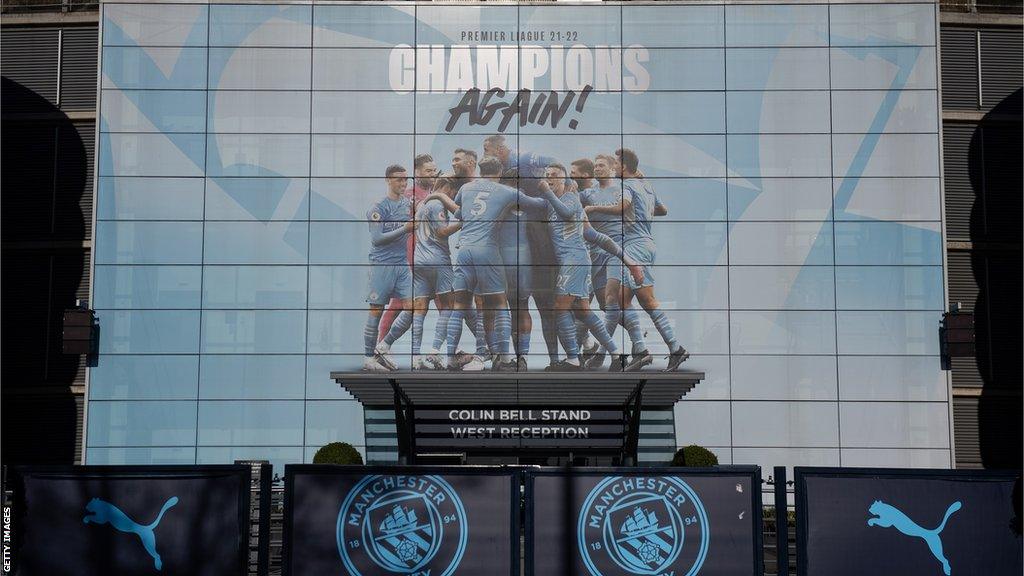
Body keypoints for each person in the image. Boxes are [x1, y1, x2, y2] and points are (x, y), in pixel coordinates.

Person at [423, 156, 566, 372]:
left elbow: (460, 215)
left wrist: (441, 195)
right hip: (515, 259)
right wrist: (555, 188)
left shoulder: (475, 190)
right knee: (514, 307)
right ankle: (515, 358)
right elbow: (545, 204)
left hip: (478, 254)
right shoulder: (514, 196)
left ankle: (477, 356)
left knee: (477, 307)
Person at [543, 164, 643, 371]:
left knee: (560, 308)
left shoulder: (570, 198)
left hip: (574, 261)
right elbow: (594, 236)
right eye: (547, 176)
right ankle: (617, 355)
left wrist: (629, 261)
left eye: (554, 175)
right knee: (583, 311)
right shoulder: (549, 203)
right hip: (576, 262)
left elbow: (566, 211)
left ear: (564, 180)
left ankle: (572, 359)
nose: (549, 178)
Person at [483, 134, 562, 368]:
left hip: (537, 252)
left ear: (499, 150)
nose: (485, 153)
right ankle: (517, 358)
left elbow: (555, 163)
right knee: (521, 306)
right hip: (524, 255)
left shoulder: (526, 160)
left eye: (487, 149)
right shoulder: (515, 199)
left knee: (539, 306)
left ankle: (519, 358)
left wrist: (564, 184)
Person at [615, 148, 690, 371]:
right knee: (620, 300)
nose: (612, 168)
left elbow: (623, 205)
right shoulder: (646, 185)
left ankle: (675, 349)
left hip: (636, 246)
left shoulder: (627, 185)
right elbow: (663, 210)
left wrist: (593, 210)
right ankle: (640, 350)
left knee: (647, 300)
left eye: (615, 164)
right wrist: (642, 215)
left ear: (624, 166)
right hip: (643, 243)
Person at [378, 153, 438, 342]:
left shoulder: (432, 193)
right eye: (428, 171)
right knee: (399, 305)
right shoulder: (408, 196)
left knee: (447, 304)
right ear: (417, 172)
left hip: (432, 258)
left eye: (434, 171)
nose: (433, 174)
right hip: (412, 258)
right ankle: (380, 345)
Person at [361, 165, 414, 371]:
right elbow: (377, 239)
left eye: (405, 180)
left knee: (414, 308)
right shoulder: (378, 208)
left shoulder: (408, 205)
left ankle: (383, 346)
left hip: (402, 265)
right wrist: (405, 228)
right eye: (399, 179)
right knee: (376, 310)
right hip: (382, 266)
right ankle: (368, 358)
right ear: (388, 180)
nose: (403, 183)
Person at [410, 175, 461, 369]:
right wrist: (464, 223)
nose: (453, 197)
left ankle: (415, 356)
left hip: (420, 261)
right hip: (438, 261)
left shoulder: (422, 204)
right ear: (448, 187)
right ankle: (435, 350)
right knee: (449, 305)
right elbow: (441, 232)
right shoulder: (438, 205)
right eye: (453, 192)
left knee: (420, 309)